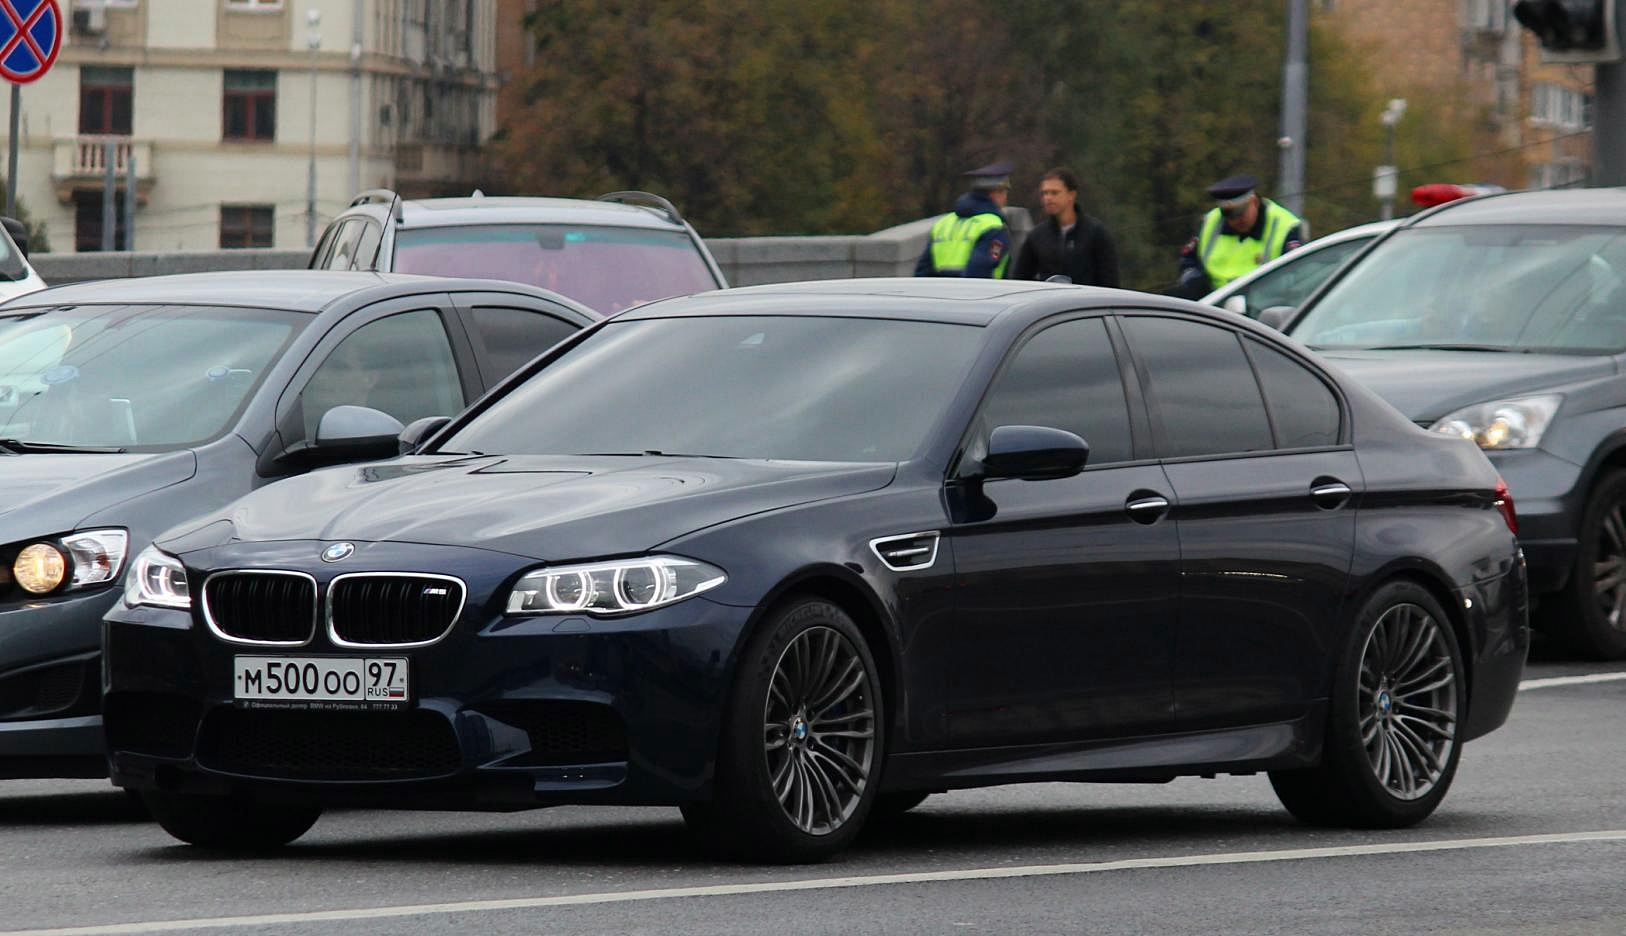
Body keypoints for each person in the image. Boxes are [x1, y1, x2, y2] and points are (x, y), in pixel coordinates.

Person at [1174, 174, 1305, 299]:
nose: (1235, 220)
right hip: (1214, 304)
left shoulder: (1285, 225)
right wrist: (1192, 279)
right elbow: (1188, 259)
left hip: (1263, 309)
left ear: (1254, 202)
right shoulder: (1211, 221)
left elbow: (1296, 276)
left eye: (1240, 213)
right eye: (1228, 215)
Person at [1012, 167, 1120, 287]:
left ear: (1071, 195)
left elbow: (1110, 282)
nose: (1048, 198)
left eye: (1054, 193)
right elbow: (1020, 280)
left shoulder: (1096, 233)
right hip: (1050, 303)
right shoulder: (1037, 236)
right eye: (1044, 193)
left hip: (1086, 303)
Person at [915, 161, 1015, 278]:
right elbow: (979, 272)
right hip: (979, 295)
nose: (1005, 199)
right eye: (1004, 193)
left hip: (940, 294)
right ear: (994, 194)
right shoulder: (994, 227)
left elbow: (922, 273)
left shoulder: (943, 223)